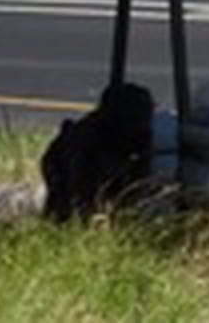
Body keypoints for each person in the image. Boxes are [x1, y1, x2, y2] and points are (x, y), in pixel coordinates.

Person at [41, 83, 155, 222]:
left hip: (110, 165)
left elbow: (139, 183)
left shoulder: (142, 137)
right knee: (65, 207)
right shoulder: (88, 137)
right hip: (61, 163)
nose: (144, 122)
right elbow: (81, 187)